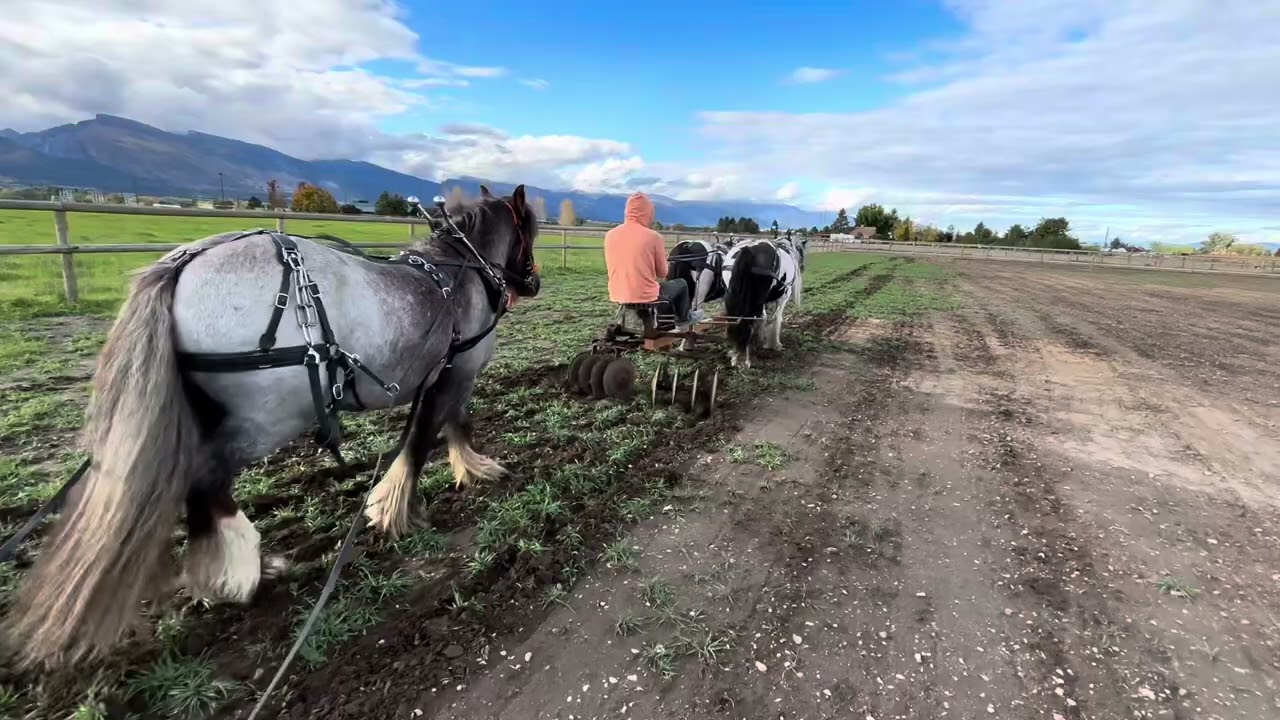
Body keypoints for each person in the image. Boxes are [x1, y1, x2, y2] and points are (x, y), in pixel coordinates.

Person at [604, 192, 705, 326]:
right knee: (681, 283)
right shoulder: (653, 237)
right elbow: (662, 274)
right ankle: (684, 318)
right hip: (645, 294)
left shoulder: (610, 235)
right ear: (647, 212)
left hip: (617, 292)